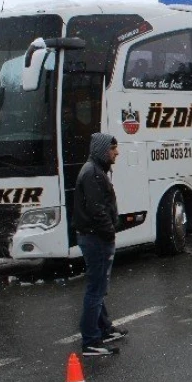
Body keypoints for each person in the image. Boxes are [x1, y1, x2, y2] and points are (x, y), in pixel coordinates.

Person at [73, 133, 127, 356]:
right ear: (102, 150)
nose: (116, 152)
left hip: (94, 236)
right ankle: (91, 340)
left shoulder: (94, 170)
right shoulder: (93, 174)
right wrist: (109, 232)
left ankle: (103, 328)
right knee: (96, 289)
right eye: (113, 148)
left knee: (99, 286)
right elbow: (98, 210)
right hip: (96, 238)